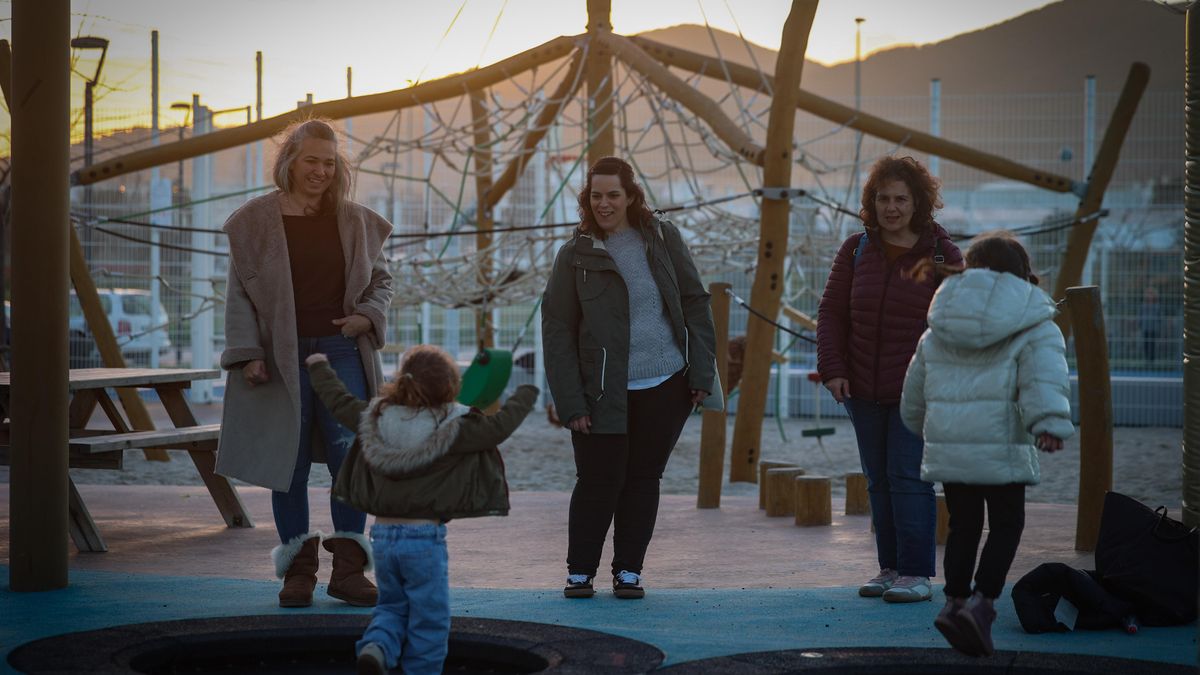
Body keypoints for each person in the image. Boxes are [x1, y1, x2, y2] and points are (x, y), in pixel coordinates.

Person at [216, 118, 395, 608]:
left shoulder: (355, 221)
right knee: (287, 465)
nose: (320, 171)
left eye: (329, 163)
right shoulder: (255, 222)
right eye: (311, 161)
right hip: (281, 354)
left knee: (350, 461)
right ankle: (298, 573)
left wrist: (366, 317)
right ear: (290, 162)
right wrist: (248, 353)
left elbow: (382, 280)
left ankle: (349, 572)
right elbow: (239, 296)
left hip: (341, 351)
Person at [541, 156, 717, 600]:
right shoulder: (574, 255)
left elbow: (695, 301)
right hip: (601, 391)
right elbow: (557, 329)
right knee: (598, 480)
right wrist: (570, 402)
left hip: (665, 383)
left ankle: (629, 572)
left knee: (643, 479)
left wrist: (700, 371)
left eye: (613, 195)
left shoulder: (661, 238)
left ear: (631, 196)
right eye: (596, 195)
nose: (604, 203)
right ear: (587, 199)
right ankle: (580, 572)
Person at [304, 346, 537, 675]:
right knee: (429, 620)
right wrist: (525, 394)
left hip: (382, 536)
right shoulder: (453, 425)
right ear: (449, 386)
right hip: (424, 539)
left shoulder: (376, 418)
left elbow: (338, 401)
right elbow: (498, 427)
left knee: (391, 607)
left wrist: (319, 367)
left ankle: (378, 646)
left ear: (402, 381)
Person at [900, 232, 1074, 656]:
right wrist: (1047, 424)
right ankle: (982, 604)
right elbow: (1042, 375)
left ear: (968, 268)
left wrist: (926, 427)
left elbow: (915, 390)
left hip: (951, 443)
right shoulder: (1033, 321)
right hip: (1002, 445)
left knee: (964, 524)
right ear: (1021, 273)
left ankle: (955, 600)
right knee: (1007, 523)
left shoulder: (941, 318)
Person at [816, 155, 963, 603]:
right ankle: (890, 566)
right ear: (871, 202)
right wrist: (833, 369)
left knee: (908, 476)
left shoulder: (942, 253)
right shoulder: (855, 249)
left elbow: (959, 321)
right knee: (877, 478)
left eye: (901, 198)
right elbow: (831, 314)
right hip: (861, 386)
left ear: (919, 202)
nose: (891, 207)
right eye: (883, 198)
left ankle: (917, 573)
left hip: (916, 390)